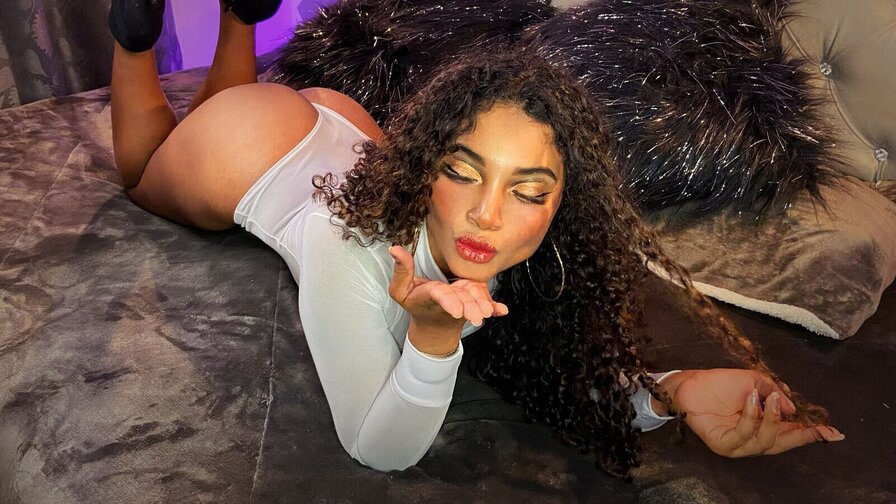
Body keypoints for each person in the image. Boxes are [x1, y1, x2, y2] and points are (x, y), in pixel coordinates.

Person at [107, 0, 845, 477]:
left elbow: (553, 372)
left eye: (528, 190)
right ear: (427, 160)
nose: (487, 216)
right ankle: (138, 39)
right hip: (252, 148)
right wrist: (431, 341)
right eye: (461, 172)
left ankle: (241, 15)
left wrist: (671, 392)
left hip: (342, 127)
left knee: (215, 112)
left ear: (562, 203)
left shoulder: (541, 254)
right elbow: (378, 447)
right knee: (141, 177)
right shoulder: (348, 244)